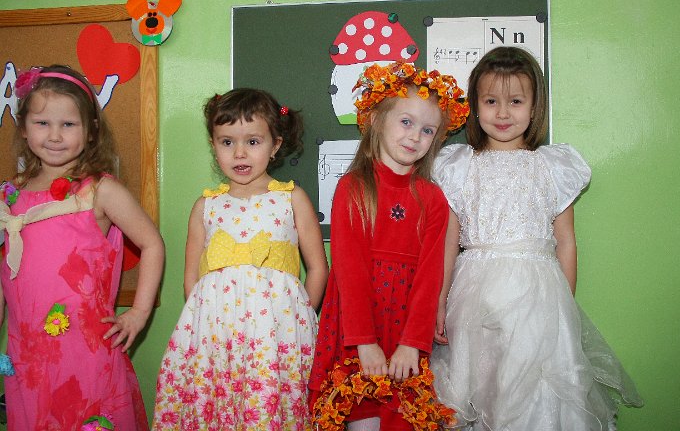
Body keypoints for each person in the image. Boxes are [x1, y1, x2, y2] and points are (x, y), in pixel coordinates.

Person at [431, 47, 644, 430]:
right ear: (475, 106)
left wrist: (565, 305)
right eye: (491, 101)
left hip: (538, 296)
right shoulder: (459, 166)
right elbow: (448, 242)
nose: (503, 112)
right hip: (474, 294)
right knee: (483, 383)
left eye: (515, 101)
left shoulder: (552, 167)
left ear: (534, 107)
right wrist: (440, 299)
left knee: (535, 390)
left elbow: (566, 242)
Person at [152, 88, 329, 430]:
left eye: (253, 141)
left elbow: (318, 268)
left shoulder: (291, 198)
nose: (239, 152)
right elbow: (192, 279)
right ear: (213, 145)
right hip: (217, 336)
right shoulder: (206, 206)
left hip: (275, 335)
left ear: (275, 145)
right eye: (227, 142)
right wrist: (205, 329)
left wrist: (300, 317)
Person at [0, 65, 165, 429]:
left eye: (68, 124)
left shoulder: (100, 190)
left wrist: (139, 313)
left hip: (85, 348)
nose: (55, 135)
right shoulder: (11, 195)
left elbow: (152, 243)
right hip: (27, 354)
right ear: (24, 127)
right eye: (42, 123)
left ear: (90, 131)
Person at [309, 61, 470, 431]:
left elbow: (430, 278)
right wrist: (364, 342)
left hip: (405, 328)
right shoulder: (353, 188)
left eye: (427, 130)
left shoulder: (433, 199)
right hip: (358, 328)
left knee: (402, 419)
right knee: (361, 418)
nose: (415, 136)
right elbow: (349, 272)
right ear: (377, 120)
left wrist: (412, 343)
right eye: (406, 122)